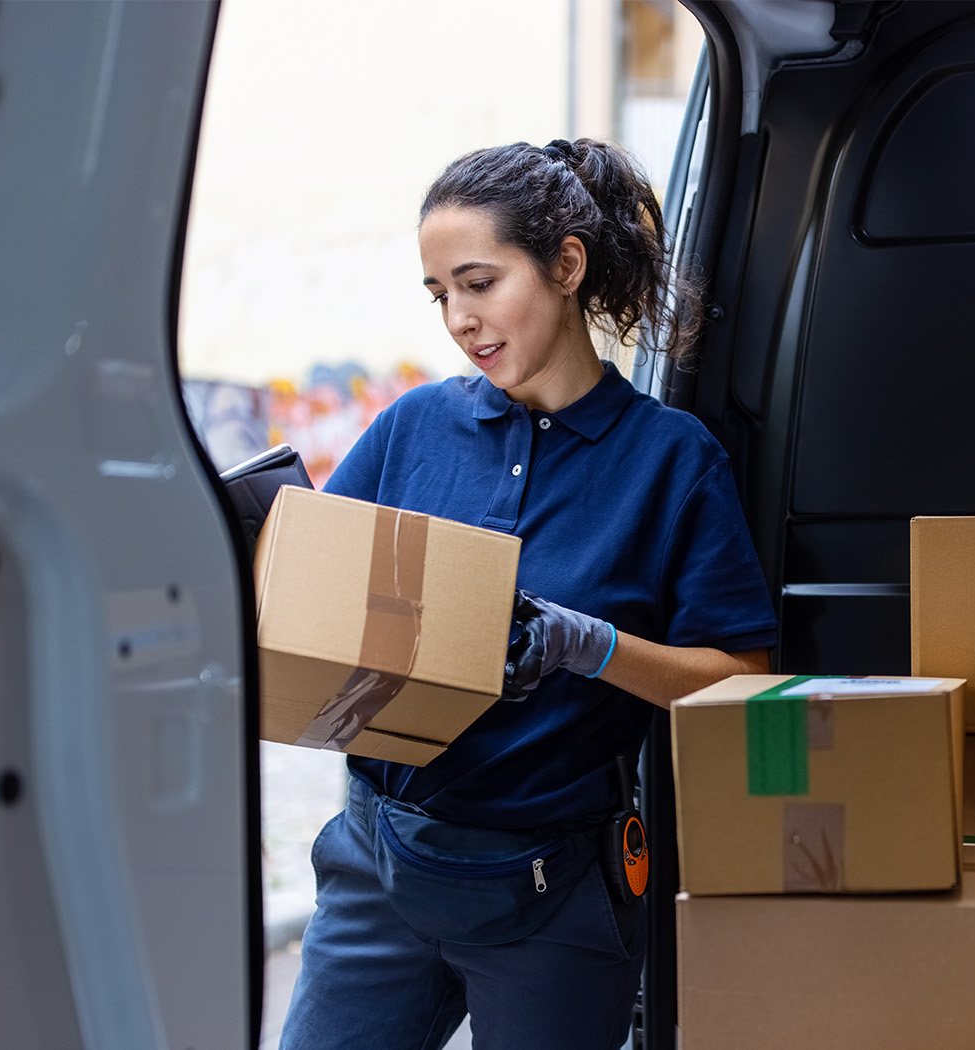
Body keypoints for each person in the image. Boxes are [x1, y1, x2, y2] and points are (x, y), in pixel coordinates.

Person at [278, 138, 778, 1050]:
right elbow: (312, 590)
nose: (460, 320)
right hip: (377, 869)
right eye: (439, 296)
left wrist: (590, 646)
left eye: (478, 282)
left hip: (549, 897)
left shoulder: (669, 460)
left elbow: (741, 678)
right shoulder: (413, 428)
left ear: (566, 264)